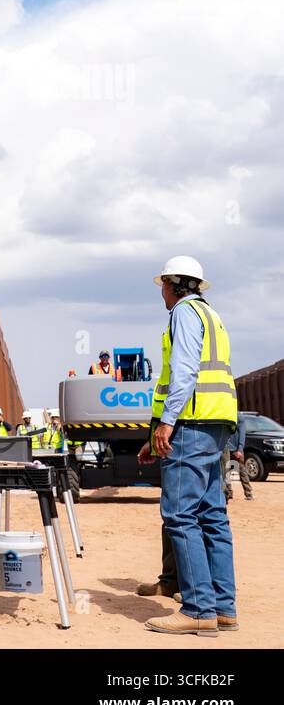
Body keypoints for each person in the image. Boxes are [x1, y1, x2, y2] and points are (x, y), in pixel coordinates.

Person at [138, 256, 237, 636]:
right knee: (213, 517)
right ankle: (223, 607)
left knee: (180, 516)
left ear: (174, 285)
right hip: (216, 425)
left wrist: (167, 423)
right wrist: (155, 435)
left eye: (162, 283)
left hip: (191, 425)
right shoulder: (214, 317)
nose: (160, 291)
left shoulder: (182, 313)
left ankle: (197, 608)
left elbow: (183, 371)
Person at [222, 422, 254, 502]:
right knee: (226, 471)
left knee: (242, 470)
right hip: (226, 448)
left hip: (236, 449)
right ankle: (228, 493)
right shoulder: (225, 415)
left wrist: (240, 449)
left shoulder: (239, 417)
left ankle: (248, 493)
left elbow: (242, 434)